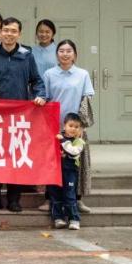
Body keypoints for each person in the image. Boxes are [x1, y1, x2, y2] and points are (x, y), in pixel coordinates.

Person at [0, 17, 47, 213]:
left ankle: (14, 199)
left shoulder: (27, 56)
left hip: (19, 116)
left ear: (19, 34)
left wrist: (40, 95)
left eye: (13, 31)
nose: (9, 34)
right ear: (0, 31)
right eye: (6, 30)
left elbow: (37, 81)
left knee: (15, 156)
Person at [43, 39, 96, 214]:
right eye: (61, 51)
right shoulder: (49, 74)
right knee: (54, 164)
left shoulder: (82, 74)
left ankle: (77, 199)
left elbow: (87, 100)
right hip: (55, 128)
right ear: (56, 54)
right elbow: (45, 99)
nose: (65, 54)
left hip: (75, 128)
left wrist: (81, 126)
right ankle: (50, 199)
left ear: (75, 54)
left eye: (69, 51)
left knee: (77, 165)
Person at [52, 113, 86, 230]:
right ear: (64, 125)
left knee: (70, 194)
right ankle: (58, 218)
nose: (73, 129)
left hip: (70, 172)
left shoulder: (79, 142)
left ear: (80, 129)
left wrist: (63, 141)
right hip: (56, 170)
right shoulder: (57, 136)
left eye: (76, 127)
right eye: (70, 126)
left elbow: (73, 151)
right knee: (55, 194)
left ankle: (74, 219)